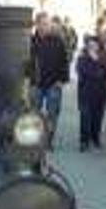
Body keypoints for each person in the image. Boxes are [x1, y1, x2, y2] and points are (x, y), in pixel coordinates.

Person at [30, 14, 70, 146]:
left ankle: (48, 140)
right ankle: (36, 140)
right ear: (37, 24)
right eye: (43, 23)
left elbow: (64, 62)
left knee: (52, 114)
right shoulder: (30, 41)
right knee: (34, 114)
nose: (46, 26)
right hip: (36, 84)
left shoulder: (57, 41)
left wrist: (62, 81)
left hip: (54, 84)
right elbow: (26, 63)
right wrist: (28, 81)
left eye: (47, 23)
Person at [76, 36, 106, 151]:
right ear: (87, 46)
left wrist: (98, 70)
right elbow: (83, 71)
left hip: (100, 92)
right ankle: (84, 141)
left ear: (99, 46)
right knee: (85, 117)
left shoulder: (103, 57)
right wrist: (98, 73)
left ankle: (95, 138)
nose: (93, 46)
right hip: (85, 92)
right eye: (90, 44)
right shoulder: (82, 58)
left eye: (95, 44)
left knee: (97, 117)